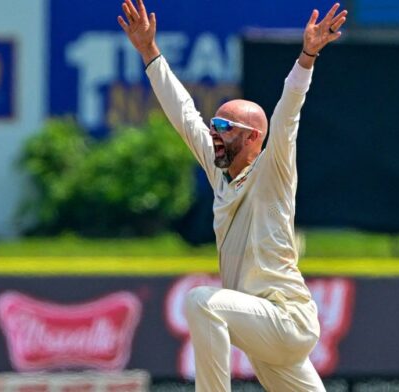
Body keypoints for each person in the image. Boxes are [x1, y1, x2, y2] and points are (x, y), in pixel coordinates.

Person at [118, 1, 347, 390]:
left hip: (287, 321)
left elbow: (287, 115)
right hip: (262, 333)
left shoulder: (272, 170)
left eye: (224, 125)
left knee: (202, 301)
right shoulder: (220, 172)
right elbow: (184, 114)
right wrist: (149, 53)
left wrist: (307, 57)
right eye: (215, 123)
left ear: (253, 137)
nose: (213, 132)